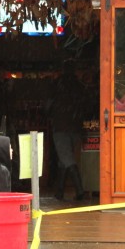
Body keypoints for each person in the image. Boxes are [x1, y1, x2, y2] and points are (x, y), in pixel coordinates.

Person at [48, 60, 86, 201]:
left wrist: (51, 114)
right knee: (64, 159)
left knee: (66, 158)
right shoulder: (79, 86)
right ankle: (59, 192)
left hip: (61, 126)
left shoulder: (57, 85)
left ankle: (80, 190)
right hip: (76, 127)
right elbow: (85, 105)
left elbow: (48, 105)